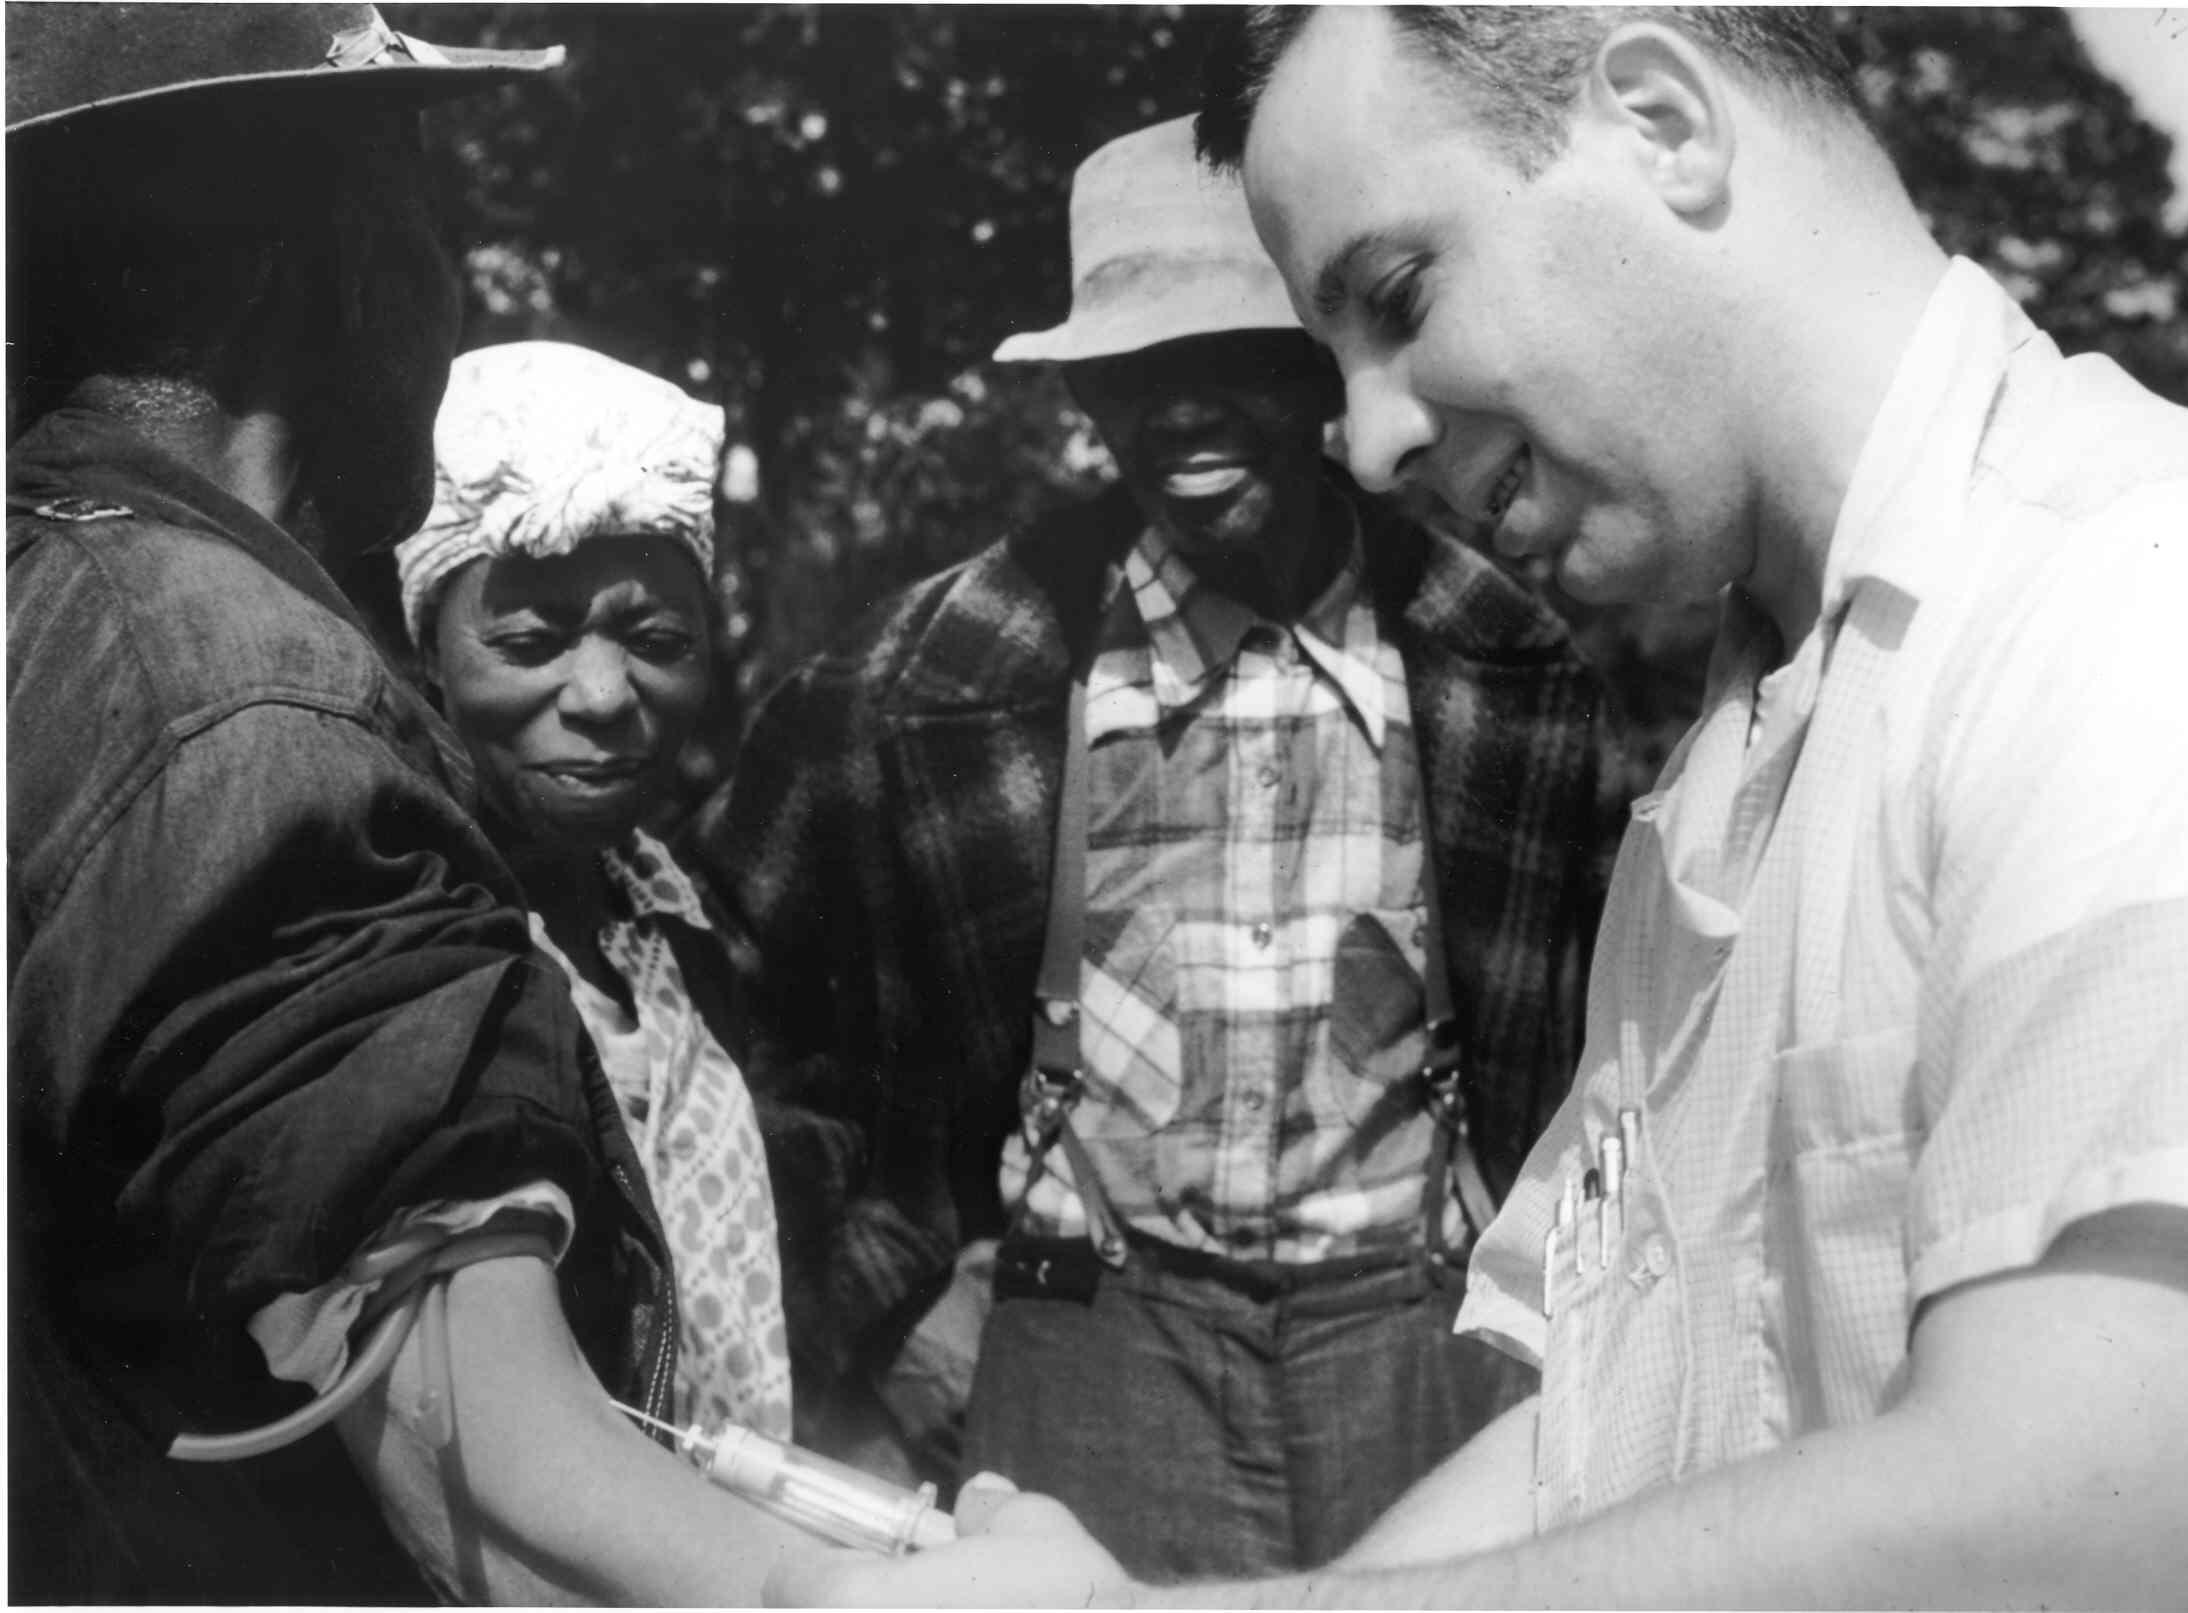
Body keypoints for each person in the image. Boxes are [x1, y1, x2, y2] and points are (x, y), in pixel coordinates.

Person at [770, 7, 2188, 1607]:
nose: (1372, 439)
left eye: (1398, 297)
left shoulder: (2141, 601)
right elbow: (1587, 1437)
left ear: (1663, 124)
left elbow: (2119, 1505)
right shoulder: (1734, 746)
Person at [698, 113, 1624, 1580]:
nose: (1180, 411)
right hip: (1090, 1338)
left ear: (1323, 369)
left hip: (1428, 1338)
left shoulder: (1520, 659)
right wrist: (891, 1311)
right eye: (1133, 369)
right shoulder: (936, 676)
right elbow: (712, 995)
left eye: (1230, 360)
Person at [8, 9, 811, 1602]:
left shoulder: (45, 602)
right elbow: (494, 1484)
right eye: (436, 230)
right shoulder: (247, 699)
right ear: (346, 263)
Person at [391, 340, 790, 1441]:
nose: (606, 693)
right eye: (528, 638)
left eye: (657, 637)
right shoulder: (398, 949)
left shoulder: (678, 919)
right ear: (425, 649)